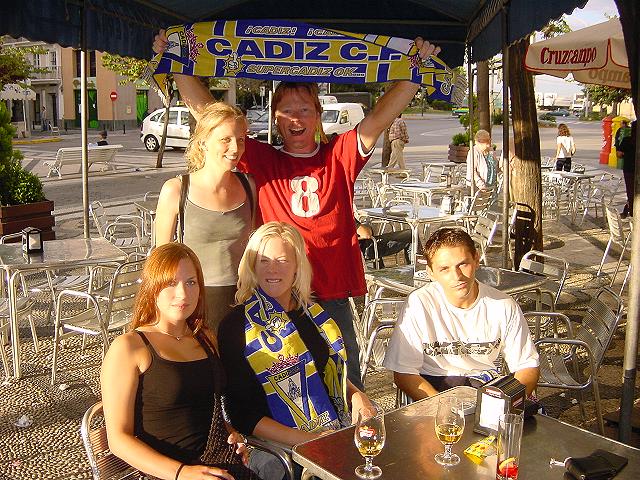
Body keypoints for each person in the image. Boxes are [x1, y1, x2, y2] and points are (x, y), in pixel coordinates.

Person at [153, 31, 440, 390]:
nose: (295, 117)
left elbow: (381, 117)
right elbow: (209, 115)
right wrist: (177, 62)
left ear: (318, 115)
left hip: (330, 292)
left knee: (344, 382)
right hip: (277, 292)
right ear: (275, 119)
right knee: (280, 387)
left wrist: (415, 70)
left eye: (304, 109)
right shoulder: (261, 160)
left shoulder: (339, 155)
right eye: (286, 111)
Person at [218, 222, 372, 478]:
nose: (272, 269)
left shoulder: (314, 315)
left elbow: (330, 374)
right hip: (273, 446)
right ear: (252, 266)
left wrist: (357, 396)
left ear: (298, 266)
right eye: (264, 261)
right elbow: (240, 414)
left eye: (282, 260)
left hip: (328, 428)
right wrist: (306, 441)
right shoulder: (236, 326)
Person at [101, 243, 259, 480]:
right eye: (170, 283)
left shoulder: (205, 338)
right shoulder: (130, 347)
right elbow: (118, 440)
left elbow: (203, 408)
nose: (183, 294)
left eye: (191, 282)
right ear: (152, 287)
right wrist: (182, 473)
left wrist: (231, 434)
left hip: (216, 465)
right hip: (165, 472)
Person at [383, 228, 540, 400]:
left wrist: (503, 403)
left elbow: (527, 365)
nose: (457, 276)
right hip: (431, 385)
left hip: (484, 385)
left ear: (476, 260)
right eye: (444, 269)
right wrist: (443, 407)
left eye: (463, 264)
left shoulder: (503, 305)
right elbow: (404, 373)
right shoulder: (419, 303)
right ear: (431, 272)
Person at [154, 102, 255, 332]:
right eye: (225, 139)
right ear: (203, 142)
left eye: (240, 140)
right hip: (194, 301)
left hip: (242, 298)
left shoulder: (249, 186)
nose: (235, 148)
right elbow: (161, 261)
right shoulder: (176, 190)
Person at [618, 121, 636, 218]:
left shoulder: (627, 140)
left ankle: (632, 211)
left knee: (630, 191)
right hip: (632, 169)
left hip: (629, 169)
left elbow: (619, 154)